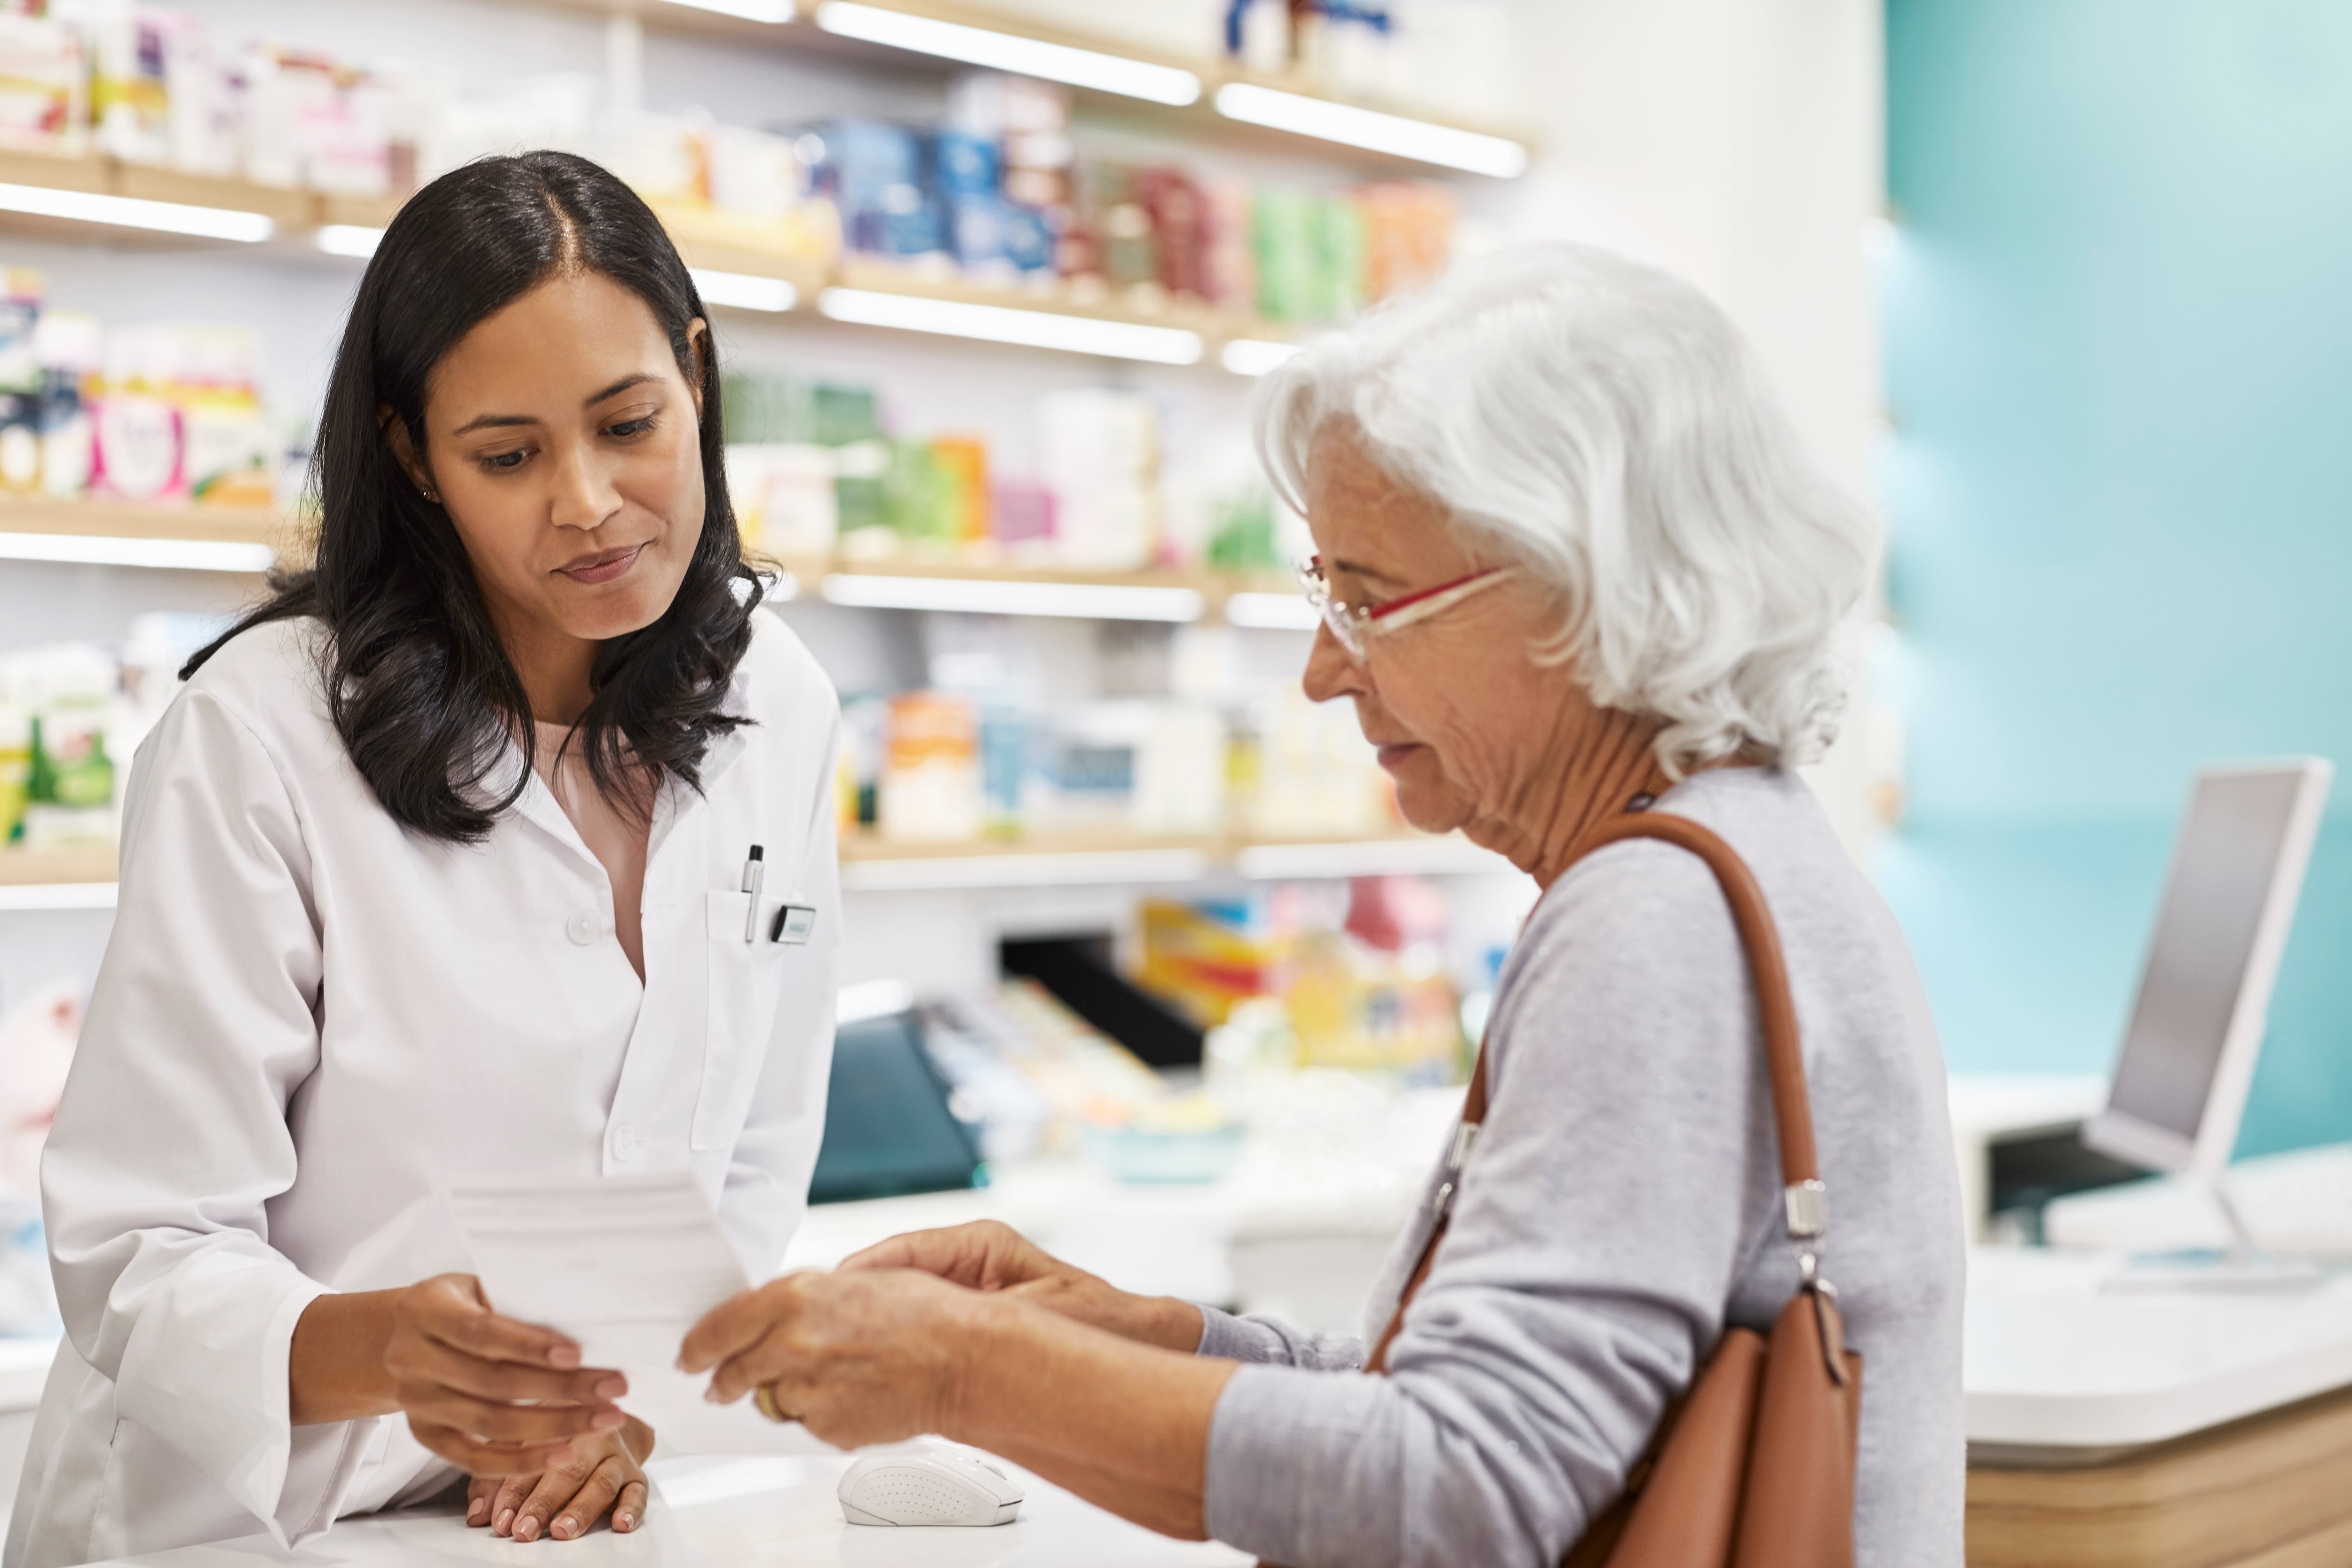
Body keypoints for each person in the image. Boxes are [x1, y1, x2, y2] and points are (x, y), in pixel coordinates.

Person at [676, 243, 1965, 1567]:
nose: (1319, 673)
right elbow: (1504, 1406)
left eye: (1368, 597)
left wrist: (973, 1372)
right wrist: (1139, 1339)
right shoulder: (1746, 851)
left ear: (1583, 591)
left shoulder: (1655, 918)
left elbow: (1463, 1493)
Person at [8, 152, 842, 1568]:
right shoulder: (265, 735)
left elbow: (753, 1156)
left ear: (697, 378)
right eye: (509, 455)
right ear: (413, 457)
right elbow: (136, 1244)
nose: (586, 501)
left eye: (629, 423)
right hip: (236, 1529)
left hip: (546, 1524)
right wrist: (381, 1348)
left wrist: (628, 1408)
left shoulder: (784, 704)